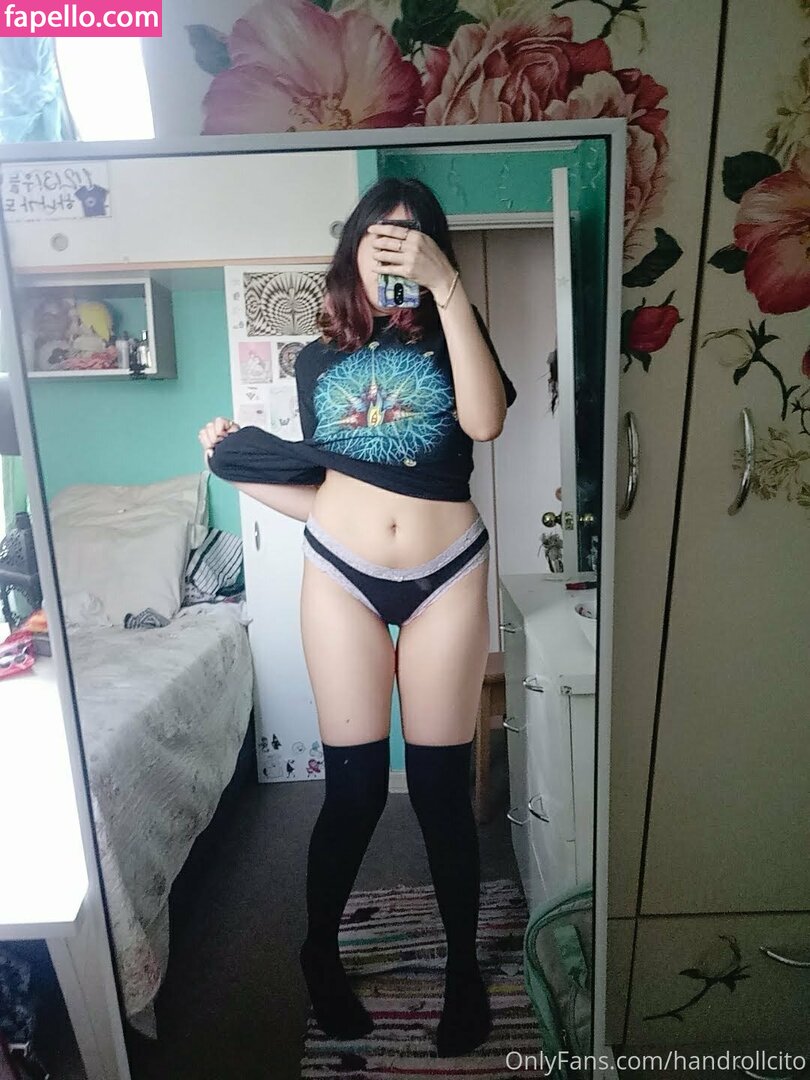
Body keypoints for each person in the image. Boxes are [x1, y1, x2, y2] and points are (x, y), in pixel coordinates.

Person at [199, 177, 517, 1058]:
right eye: (382, 238)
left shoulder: (457, 334)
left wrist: (446, 287)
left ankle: (462, 972)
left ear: (435, 250)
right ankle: (319, 952)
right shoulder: (316, 360)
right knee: (355, 790)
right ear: (353, 251)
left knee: (441, 792)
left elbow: (486, 423)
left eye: (415, 240)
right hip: (341, 574)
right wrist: (233, 465)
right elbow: (324, 491)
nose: (397, 252)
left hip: (448, 572)